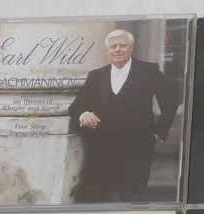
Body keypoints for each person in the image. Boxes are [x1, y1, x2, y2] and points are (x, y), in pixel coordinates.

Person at [68, 29, 180, 202]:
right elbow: (75, 107)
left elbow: (172, 98)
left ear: (131, 48)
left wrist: (160, 131)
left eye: (122, 45)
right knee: (102, 198)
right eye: (113, 46)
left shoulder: (148, 70)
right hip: (102, 148)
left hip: (138, 147)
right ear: (108, 51)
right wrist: (84, 113)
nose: (117, 50)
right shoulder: (96, 75)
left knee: (132, 198)